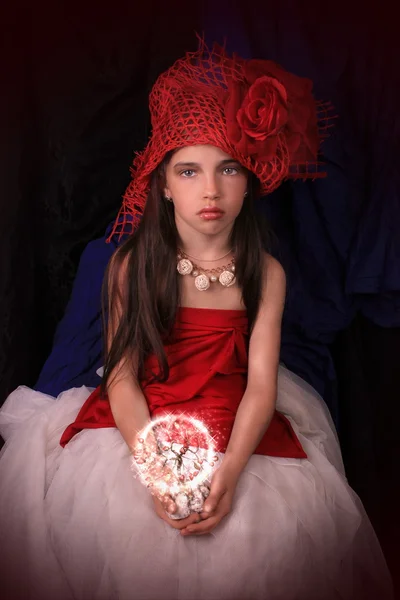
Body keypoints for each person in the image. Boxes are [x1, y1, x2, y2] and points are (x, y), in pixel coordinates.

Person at [0, 42, 393, 600]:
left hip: (234, 432)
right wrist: (157, 468)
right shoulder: (132, 266)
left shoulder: (266, 273)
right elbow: (121, 379)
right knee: (122, 534)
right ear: (162, 183)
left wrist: (230, 474)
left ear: (249, 178)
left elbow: (261, 386)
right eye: (189, 170)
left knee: (259, 538)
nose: (210, 190)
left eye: (227, 168)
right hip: (147, 429)